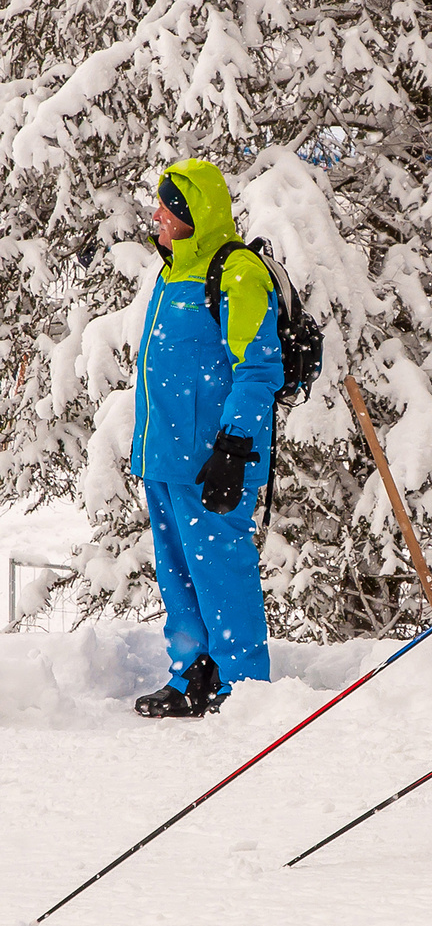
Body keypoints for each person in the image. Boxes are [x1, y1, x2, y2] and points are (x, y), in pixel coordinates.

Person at [130, 158, 282, 717]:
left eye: (168, 208)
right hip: (167, 459)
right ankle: (192, 673)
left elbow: (259, 369)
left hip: (216, 458)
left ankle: (241, 691)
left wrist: (236, 445)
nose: (157, 216)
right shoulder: (172, 273)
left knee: (221, 570)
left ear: (195, 215)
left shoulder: (237, 272)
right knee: (179, 574)